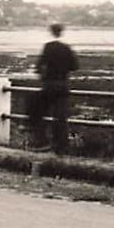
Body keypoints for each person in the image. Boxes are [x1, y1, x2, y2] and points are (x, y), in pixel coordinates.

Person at [30, 23, 80, 153]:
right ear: (61, 32)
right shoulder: (66, 48)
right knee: (61, 117)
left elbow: (39, 66)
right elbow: (75, 66)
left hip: (49, 85)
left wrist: (43, 76)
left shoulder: (48, 47)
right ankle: (61, 146)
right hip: (63, 86)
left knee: (37, 111)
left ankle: (41, 141)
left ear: (51, 32)